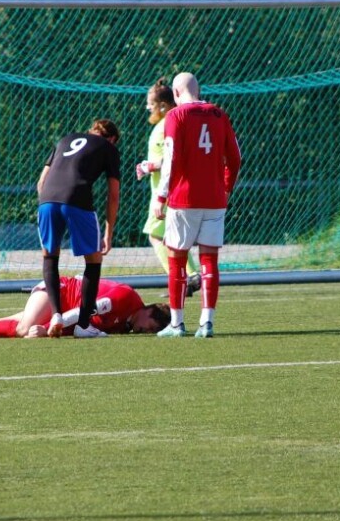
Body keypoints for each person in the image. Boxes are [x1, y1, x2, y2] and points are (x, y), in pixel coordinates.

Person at [152, 72, 242, 338]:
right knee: (209, 261)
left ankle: (177, 324)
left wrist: (160, 197)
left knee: (177, 260)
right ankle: (207, 323)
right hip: (214, 200)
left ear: (176, 94)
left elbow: (171, 159)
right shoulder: (219, 114)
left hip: (183, 199)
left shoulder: (176, 116)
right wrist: (225, 188)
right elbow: (235, 158)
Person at [37, 119, 121, 339]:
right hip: (76, 198)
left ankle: (57, 315)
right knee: (93, 260)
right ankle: (83, 325)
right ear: (112, 139)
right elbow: (113, 195)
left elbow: (41, 181)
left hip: (46, 199)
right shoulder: (108, 148)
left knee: (49, 256)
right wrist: (108, 233)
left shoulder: (66, 139)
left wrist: (47, 203)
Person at [0, 276, 170, 339]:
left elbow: (85, 329)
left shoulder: (126, 323)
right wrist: (55, 324)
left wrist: (55, 330)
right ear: (149, 312)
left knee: (8, 323)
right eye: (150, 327)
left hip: (63, 311)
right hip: (57, 291)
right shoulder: (126, 300)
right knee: (23, 328)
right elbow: (84, 311)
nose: (145, 331)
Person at [135, 78, 201, 298]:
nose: (148, 109)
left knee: (155, 235)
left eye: (151, 105)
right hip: (167, 191)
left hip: (168, 192)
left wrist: (148, 166)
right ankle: (189, 278)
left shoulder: (168, 124)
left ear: (162, 105)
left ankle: (185, 278)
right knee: (173, 239)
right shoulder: (167, 123)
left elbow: (173, 159)